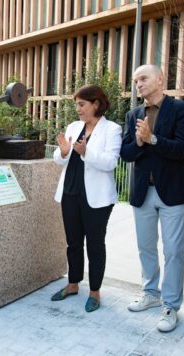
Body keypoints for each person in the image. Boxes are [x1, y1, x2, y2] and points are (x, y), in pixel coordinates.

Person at [120, 64, 184, 332]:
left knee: (174, 252)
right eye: (135, 80)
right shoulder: (133, 114)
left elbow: (182, 149)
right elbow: (126, 153)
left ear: (160, 78)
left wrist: (152, 140)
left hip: (172, 192)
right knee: (146, 248)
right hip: (143, 192)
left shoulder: (180, 109)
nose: (137, 83)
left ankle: (171, 306)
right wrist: (139, 142)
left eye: (143, 78)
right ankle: (151, 294)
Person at [51, 85, 122, 312]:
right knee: (73, 243)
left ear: (96, 104)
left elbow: (111, 162)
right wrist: (63, 152)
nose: (78, 109)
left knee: (95, 245)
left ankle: (94, 291)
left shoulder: (112, 129)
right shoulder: (74, 126)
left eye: (82, 104)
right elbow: (60, 158)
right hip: (70, 192)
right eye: (76, 105)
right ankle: (72, 284)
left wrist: (86, 153)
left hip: (97, 198)